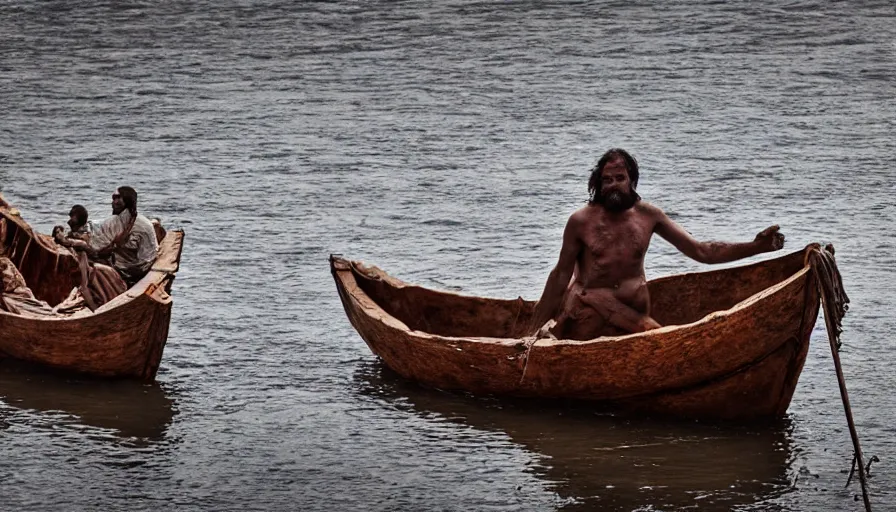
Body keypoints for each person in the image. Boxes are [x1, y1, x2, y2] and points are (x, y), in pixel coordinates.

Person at [528, 148, 786, 340]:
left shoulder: (649, 216)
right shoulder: (581, 221)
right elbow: (561, 275)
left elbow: (701, 251)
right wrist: (533, 329)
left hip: (635, 314)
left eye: (620, 178)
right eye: (607, 180)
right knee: (662, 338)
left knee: (658, 338)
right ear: (598, 184)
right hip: (590, 315)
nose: (614, 186)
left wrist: (757, 246)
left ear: (631, 181)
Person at [86, 186, 159, 286]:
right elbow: (98, 227)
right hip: (129, 266)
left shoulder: (143, 225)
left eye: (117, 198)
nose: (114, 202)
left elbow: (148, 258)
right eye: (113, 199)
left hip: (136, 270)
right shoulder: (115, 221)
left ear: (127, 200)